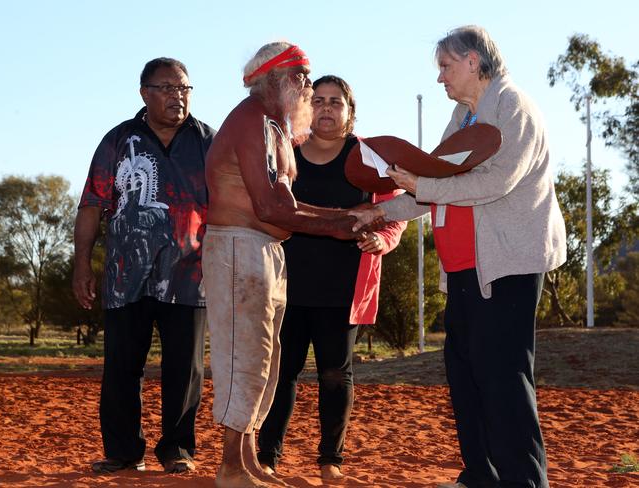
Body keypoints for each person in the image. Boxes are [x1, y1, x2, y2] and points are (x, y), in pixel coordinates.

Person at [350, 26, 566, 488]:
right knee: (465, 373)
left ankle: (524, 482)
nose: (440, 78)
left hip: (506, 264)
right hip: (464, 267)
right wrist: (378, 211)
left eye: (446, 67)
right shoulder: (462, 117)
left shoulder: (514, 107)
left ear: (474, 61)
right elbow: (434, 186)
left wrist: (419, 186)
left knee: (503, 377)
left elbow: (495, 183)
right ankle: (481, 476)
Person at [202, 43, 363, 488]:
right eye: (301, 76)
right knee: (244, 357)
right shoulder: (250, 119)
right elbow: (271, 207)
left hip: (265, 253)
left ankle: (249, 460)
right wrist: (341, 223)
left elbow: (282, 206)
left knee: (265, 363)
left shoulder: (276, 127)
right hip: (239, 247)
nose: (308, 86)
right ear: (272, 79)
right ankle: (231, 468)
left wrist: (345, 220)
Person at [256, 75, 406, 481]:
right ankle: (267, 455)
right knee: (281, 372)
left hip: (344, 286)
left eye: (335, 102)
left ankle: (330, 460)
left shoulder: (370, 157)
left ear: (350, 112)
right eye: (317, 100)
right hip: (287, 283)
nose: (326, 108)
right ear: (307, 106)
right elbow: (265, 204)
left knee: (335, 374)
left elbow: (396, 211)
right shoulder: (288, 150)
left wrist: (383, 238)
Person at [73, 57, 215, 475]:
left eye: (185, 89)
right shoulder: (118, 141)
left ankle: (177, 450)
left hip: (191, 274)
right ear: (144, 93)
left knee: (185, 369)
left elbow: (232, 203)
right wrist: (82, 264)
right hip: (124, 275)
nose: (178, 97)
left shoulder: (210, 141)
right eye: (168, 88)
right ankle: (121, 452)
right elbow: (91, 205)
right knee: (121, 366)